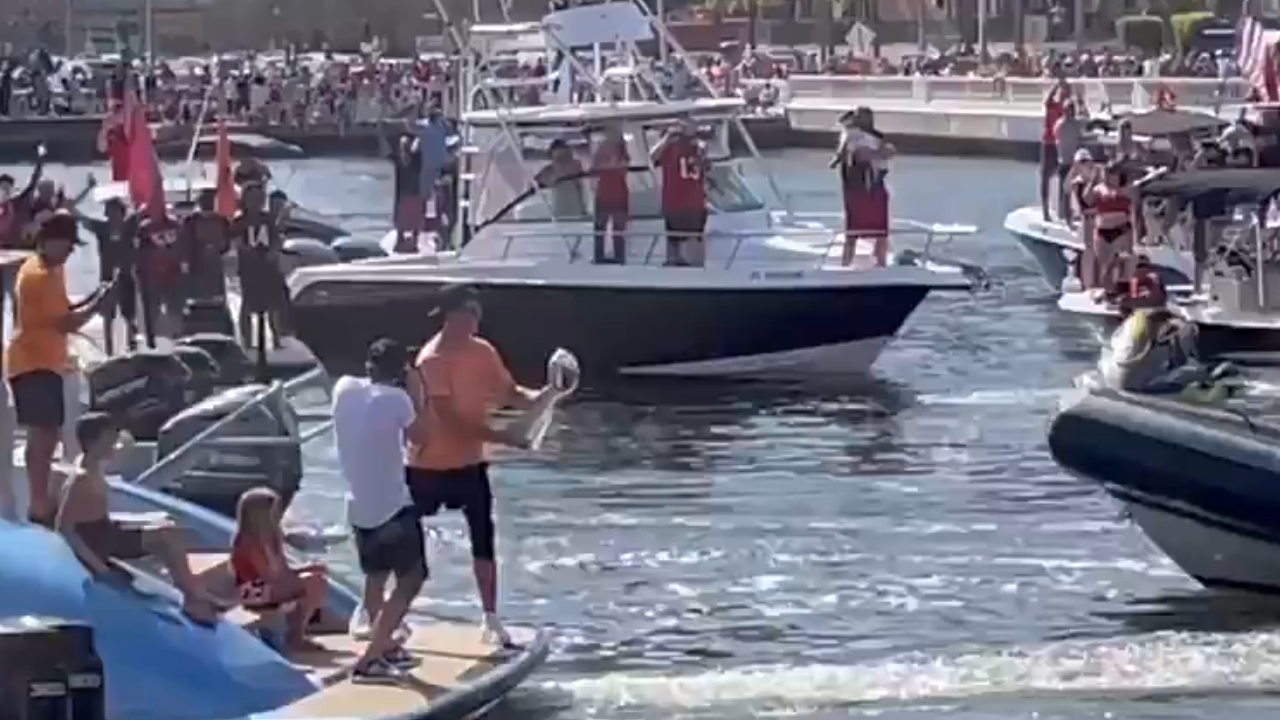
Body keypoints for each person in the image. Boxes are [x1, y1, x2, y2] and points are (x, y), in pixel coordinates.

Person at [407, 284, 545, 647]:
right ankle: (389, 611)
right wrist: (506, 439)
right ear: (449, 315)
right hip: (428, 465)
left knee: (483, 538)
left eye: (477, 312)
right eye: (468, 311)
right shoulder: (431, 359)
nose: (475, 319)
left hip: (470, 464)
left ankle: (491, 617)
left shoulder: (482, 351)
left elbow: (510, 393)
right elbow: (450, 420)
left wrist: (544, 396)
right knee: (405, 537)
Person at [54, 411, 224, 624]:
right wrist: (100, 569)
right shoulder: (80, 479)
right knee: (167, 534)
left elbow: (99, 514)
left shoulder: (93, 466)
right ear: (92, 442)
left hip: (105, 530)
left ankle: (190, 592)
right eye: (108, 441)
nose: (113, 446)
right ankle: (194, 596)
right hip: (98, 543)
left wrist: (145, 518)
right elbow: (64, 528)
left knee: (167, 525)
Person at [6, 211, 116, 525]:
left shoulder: (54, 270)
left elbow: (65, 309)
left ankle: (40, 500)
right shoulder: (37, 275)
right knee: (42, 434)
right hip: (31, 362)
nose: (70, 252)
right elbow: (67, 322)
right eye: (67, 245)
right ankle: (38, 504)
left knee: (50, 433)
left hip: (48, 362)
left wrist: (95, 295)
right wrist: (99, 306)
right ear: (50, 240)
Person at [332, 338, 429, 681]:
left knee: (376, 578)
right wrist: (419, 395)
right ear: (400, 372)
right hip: (392, 504)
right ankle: (371, 658)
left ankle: (386, 648)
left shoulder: (343, 388)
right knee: (412, 578)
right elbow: (422, 437)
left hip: (358, 505)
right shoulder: (399, 400)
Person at [230, 487, 328, 648]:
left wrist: (307, 568)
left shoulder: (272, 536)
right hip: (252, 591)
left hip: (271, 586)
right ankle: (296, 636)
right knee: (312, 583)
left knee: (317, 578)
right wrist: (299, 579)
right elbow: (268, 576)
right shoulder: (248, 542)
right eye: (274, 510)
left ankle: (297, 633)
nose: (278, 514)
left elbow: (282, 571)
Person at [76, 197, 140, 354]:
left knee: (130, 316)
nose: (112, 215)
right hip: (107, 280)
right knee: (108, 317)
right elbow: (83, 219)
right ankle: (108, 351)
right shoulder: (102, 228)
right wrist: (71, 205)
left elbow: (142, 212)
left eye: (115, 211)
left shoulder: (130, 227)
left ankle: (132, 348)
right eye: (109, 211)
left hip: (127, 278)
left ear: (121, 212)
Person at [233, 182, 288, 350]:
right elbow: (235, 242)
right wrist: (245, 249)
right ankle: (247, 341)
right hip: (249, 268)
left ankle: (277, 340)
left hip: (268, 268)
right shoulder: (239, 220)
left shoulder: (267, 219)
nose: (255, 201)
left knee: (273, 306)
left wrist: (273, 252)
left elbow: (277, 241)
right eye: (252, 198)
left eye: (258, 198)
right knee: (248, 305)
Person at [650, 120, 708, 267]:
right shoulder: (670, 146)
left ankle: (696, 269)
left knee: (694, 239)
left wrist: (702, 153)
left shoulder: (699, 146)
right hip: (674, 202)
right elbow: (652, 157)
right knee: (674, 240)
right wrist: (667, 139)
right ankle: (673, 266)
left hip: (694, 202)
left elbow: (706, 167)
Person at [134, 206, 184, 345]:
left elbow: (182, 248)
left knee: (174, 309)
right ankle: (154, 339)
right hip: (152, 276)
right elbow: (139, 252)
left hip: (172, 275)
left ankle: (177, 339)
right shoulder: (144, 228)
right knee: (153, 310)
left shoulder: (175, 225)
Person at [590, 124, 630, 264]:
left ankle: (620, 257)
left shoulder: (622, 149)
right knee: (599, 228)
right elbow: (594, 167)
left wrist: (612, 164)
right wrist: (611, 165)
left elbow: (624, 167)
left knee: (619, 229)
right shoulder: (602, 148)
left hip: (619, 193)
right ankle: (598, 257)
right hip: (603, 193)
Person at [390, 131, 424, 254]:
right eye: (401, 145)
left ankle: (414, 241)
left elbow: (419, 150)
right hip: (403, 193)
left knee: (413, 219)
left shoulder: (416, 159)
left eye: (405, 144)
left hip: (414, 192)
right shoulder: (398, 160)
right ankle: (400, 240)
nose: (402, 147)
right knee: (402, 219)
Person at [535, 139, 586, 220]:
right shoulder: (552, 168)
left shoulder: (573, 165)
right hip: (567, 205)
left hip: (567, 205)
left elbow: (537, 181)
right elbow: (537, 181)